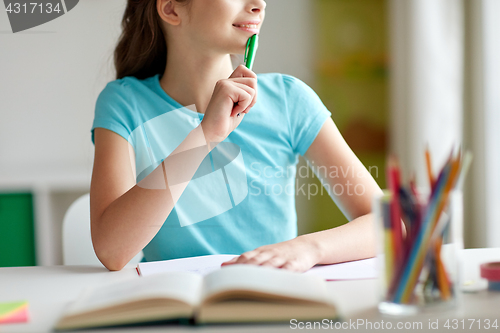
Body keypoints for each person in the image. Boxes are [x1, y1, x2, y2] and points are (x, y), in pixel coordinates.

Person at [90, 0, 383, 272]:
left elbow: (386, 223)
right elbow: (113, 252)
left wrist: (308, 247)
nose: (259, 4)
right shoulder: (124, 103)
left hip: (268, 302)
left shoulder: (289, 100)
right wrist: (205, 135)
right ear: (171, 9)